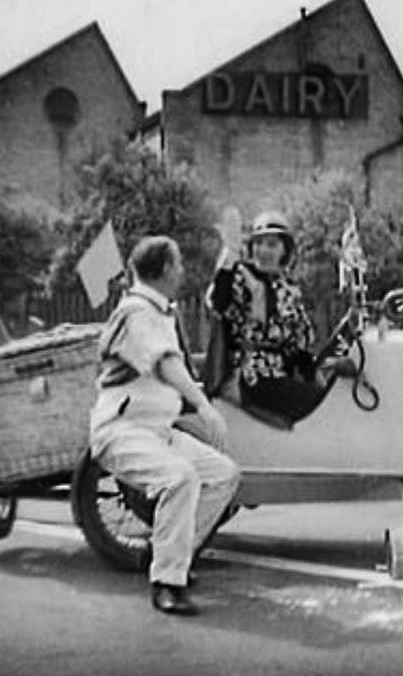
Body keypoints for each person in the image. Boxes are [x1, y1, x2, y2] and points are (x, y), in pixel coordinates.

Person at [90, 236, 240, 617]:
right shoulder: (137, 312)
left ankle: (172, 557)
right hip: (122, 430)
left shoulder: (157, 310)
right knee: (180, 478)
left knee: (223, 475)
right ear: (163, 269)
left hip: (156, 431)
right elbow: (164, 363)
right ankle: (167, 583)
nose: (183, 270)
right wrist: (204, 407)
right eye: (179, 264)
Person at [207, 209, 329, 423]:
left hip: (278, 375)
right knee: (314, 402)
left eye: (272, 245)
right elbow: (219, 302)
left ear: (284, 250)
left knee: (327, 401)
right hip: (251, 376)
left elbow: (298, 348)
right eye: (258, 243)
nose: (263, 250)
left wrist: (318, 378)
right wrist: (229, 255)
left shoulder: (289, 288)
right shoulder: (240, 277)